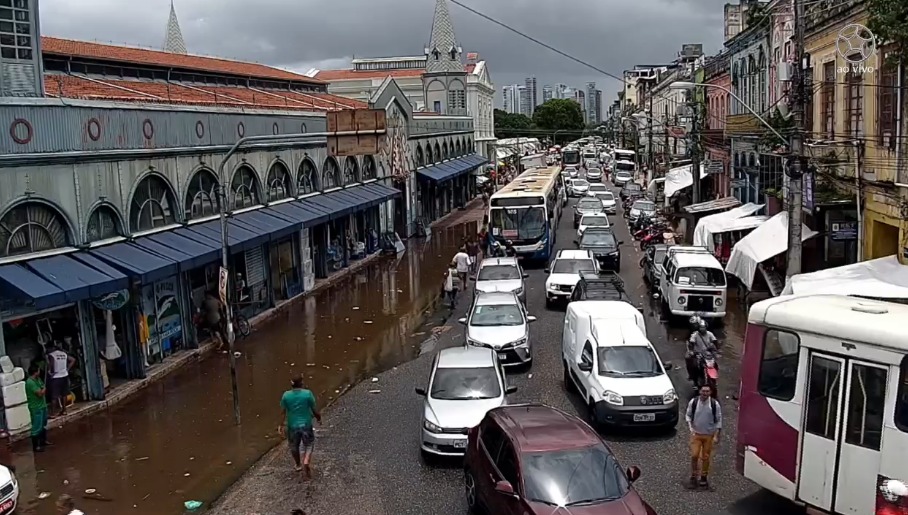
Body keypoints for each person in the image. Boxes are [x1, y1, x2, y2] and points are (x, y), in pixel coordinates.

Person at [279, 374, 322, 480]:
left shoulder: (286, 395)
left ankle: (298, 465)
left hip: (292, 426)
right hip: (306, 424)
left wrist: (281, 425)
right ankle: (306, 460)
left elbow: (283, 412)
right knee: (309, 444)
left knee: (294, 446)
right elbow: (314, 409)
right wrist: (319, 418)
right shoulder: (307, 394)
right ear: (302, 383)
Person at [685, 385, 722, 490]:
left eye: (707, 391)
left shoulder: (715, 404)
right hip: (696, 434)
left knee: (706, 457)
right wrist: (690, 428)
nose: (705, 393)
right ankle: (693, 476)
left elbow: (719, 419)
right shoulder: (694, 402)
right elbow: (688, 415)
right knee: (694, 455)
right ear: (700, 391)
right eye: (703, 391)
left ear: (710, 393)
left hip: (709, 435)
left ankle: (703, 477)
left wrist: (717, 435)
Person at [46, 343, 74, 417]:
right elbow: (73, 360)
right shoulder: (64, 354)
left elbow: (51, 366)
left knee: (54, 396)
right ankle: (64, 410)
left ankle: (53, 413)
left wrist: (50, 372)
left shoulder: (51, 355)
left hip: (56, 377)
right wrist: (67, 369)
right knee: (64, 394)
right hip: (64, 375)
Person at [25, 364, 49, 452]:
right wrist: (43, 389)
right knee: (36, 426)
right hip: (35, 407)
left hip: (42, 405)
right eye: (38, 370)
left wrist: (43, 389)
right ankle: (36, 446)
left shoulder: (38, 379)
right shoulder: (30, 382)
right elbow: (40, 393)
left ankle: (43, 441)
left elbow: (42, 388)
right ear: (35, 372)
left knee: (43, 423)